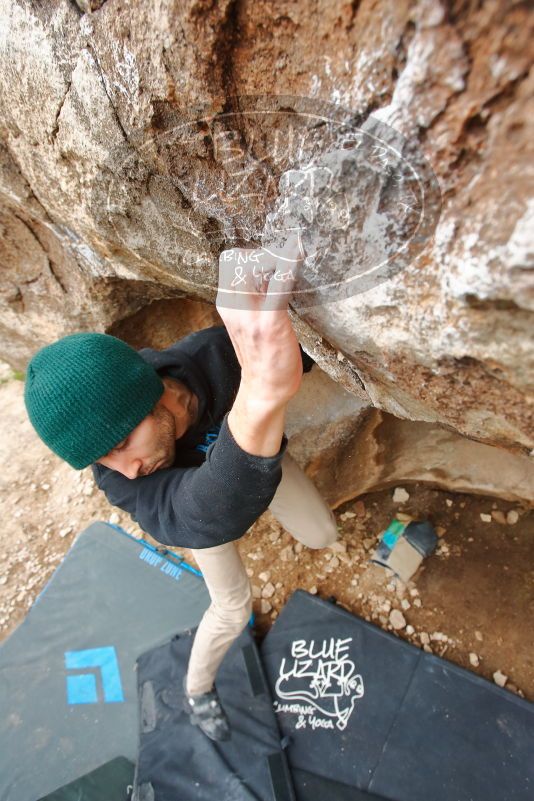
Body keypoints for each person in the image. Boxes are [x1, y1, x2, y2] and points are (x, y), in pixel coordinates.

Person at [23, 237, 338, 741]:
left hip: (255, 462)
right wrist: (261, 394)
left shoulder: (216, 357)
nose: (125, 471)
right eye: (102, 458)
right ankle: (198, 688)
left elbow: (312, 343)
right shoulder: (121, 477)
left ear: (156, 394)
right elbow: (196, 519)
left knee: (322, 534)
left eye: (123, 443)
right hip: (213, 494)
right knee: (232, 607)